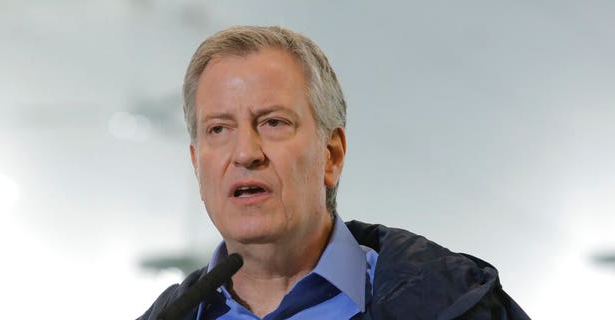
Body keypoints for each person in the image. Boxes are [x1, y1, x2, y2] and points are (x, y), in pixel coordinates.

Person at [138, 26, 530, 320]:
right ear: (196, 162)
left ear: (332, 154)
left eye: (273, 122)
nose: (245, 153)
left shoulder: (456, 304)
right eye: (218, 129)